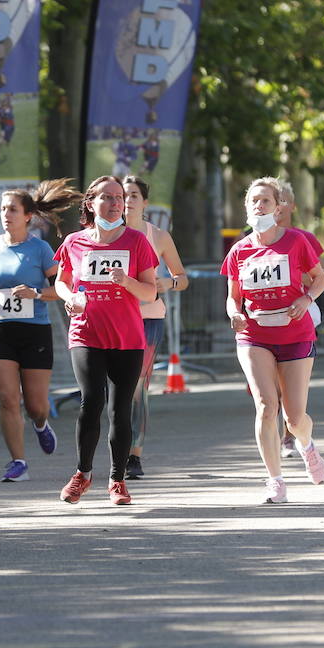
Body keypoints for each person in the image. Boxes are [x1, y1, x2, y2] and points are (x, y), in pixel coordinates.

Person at [54, 175, 159, 505]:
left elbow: (150, 290)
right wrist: (68, 297)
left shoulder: (136, 242)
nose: (116, 203)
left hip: (127, 337)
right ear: (91, 203)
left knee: (120, 410)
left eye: (120, 198)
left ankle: (117, 480)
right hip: (86, 333)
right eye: (108, 197)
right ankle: (82, 474)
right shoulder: (74, 242)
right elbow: (61, 281)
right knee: (91, 402)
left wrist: (127, 281)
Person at [223, 177, 324, 504]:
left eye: (266, 201)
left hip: (295, 333)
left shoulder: (296, 241)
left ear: (278, 206)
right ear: (245, 207)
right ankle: (275, 480)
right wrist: (234, 314)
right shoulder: (239, 250)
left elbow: (320, 278)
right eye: (253, 201)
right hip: (254, 336)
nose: (259, 206)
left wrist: (306, 300)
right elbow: (232, 297)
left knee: (294, 418)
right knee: (267, 407)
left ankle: (307, 446)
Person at [0, 179, 83, 483]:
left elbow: (61, 288)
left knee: (35, 405)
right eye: (2, 209)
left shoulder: (40, 249)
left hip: (34, 330)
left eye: (12, 209)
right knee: (8, 399)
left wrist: (35, 293)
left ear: (27, 216)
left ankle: (40, 424)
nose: (5, 215)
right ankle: (17, 461)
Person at [121, 175, 188, 479]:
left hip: (148, 318)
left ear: (145, 202)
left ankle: (133, 454)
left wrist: (167, 283)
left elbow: (183, 278)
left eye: (134, 195)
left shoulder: (157, 236)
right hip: (112, 320)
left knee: (137, 386)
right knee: (114, 389)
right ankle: (116, 446)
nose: (127, 200)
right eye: (122, 195)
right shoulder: (104, 236)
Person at [273, 178, 324, 459]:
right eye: (273, 199)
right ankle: (272, 438)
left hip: (298, 314)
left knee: (289, 385)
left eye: (282, 200)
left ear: (292, 206)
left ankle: (289, 435)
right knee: (266, 390)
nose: (277, 206)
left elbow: (318, 276)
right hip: (262, 322)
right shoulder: (249, 241)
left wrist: (300, 283)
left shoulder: (303, 238)